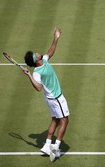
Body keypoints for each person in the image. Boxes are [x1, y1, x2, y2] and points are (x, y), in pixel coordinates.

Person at [23, 27, 69, 162]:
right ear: (35, 60)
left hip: (50, 98)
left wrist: (56, 38)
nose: (38, 53)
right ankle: (55, 150)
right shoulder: (37, 71)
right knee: (65, 120)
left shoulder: (44, 60)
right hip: (56, 98)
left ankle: (47, 145)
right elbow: (38, 88)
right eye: (35, 54)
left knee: (55, 119)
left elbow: (50, 52)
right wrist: (29, 75)